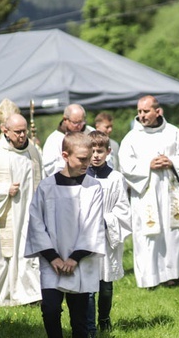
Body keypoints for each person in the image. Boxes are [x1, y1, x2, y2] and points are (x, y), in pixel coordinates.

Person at [25, 132, 105, 338]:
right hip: (52, 261)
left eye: (89, 157)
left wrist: (74, 258)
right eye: (81, 158)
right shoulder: (46, 186)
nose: (87, 163)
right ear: (65, 155)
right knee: (50, 310)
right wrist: (53, 257)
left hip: (80, 261)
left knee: (79, 320)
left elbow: (93, 225)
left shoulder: (93, 188)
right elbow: (36, 223)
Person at [119, 95, 179, 289]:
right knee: (148, 235)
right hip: (146, 194)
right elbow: (126, 166)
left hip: (171, 193)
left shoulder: (174, 133)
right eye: (139, 111)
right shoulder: (132, 137)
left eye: (146, 111)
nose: (141, 115)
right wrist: (148, 165)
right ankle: (149, 278)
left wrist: (172, 162)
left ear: (157, 111)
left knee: (173, 233)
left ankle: (173, 275)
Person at [0, 113, 43, 308]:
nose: (23, 136)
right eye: (18, 132)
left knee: (28, 253)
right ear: (5, 131)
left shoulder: (33, 149)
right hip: (5, 212)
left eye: (24, 131)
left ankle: (30, 295)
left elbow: (42, 178)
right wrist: (5, 189)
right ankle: (4, 296)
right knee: (5, 255)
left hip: (29, 212)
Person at [85, 130, 131, 335]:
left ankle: (104, 319)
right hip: (84, 237)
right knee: (87, 285)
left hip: (106, 236)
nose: (96, 155)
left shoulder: (116, 178)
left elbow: (123, 209)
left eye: (100, 151)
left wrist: (106, 221)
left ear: (108, 151)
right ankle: (88, 323)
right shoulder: (80, 176)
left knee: (105, 284)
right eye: (92, 150)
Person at [42, 104, 87, 177]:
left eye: (82, 122)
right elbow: (50, 167)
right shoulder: (54, 139)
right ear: (65, 119)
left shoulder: (89, 132)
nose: (79, 126)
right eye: (75, 123)